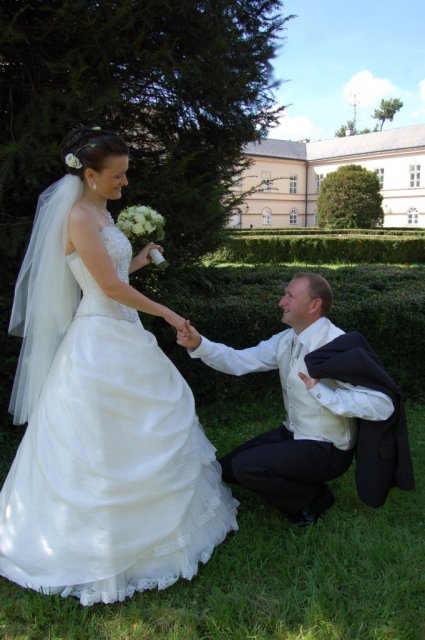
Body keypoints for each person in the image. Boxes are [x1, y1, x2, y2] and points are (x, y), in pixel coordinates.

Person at [0, 126, 238, 606]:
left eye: (126, 174)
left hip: (121, 329)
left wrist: (140, 260)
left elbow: (105, 274)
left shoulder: (100, 212)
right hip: (98, 338)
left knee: (147, 420)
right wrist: (166, 312)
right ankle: (97, 547)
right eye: (118, 175)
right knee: (99, 439)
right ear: (89, 175)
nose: (125, 182)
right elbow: (106, 289)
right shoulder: (77, 216)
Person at [177, 272, 414, 526]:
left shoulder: (336, 344)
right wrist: (199, 344)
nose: (282, 302)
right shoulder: (287, 338)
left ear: (314, 305)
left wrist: (322, 391)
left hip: (327, 449)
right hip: (293, 433)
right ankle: (295, 475)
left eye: (290, 296)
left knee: (247, 467)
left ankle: (314, 498)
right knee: (228, 468)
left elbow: (382, 404)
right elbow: (240, 360)